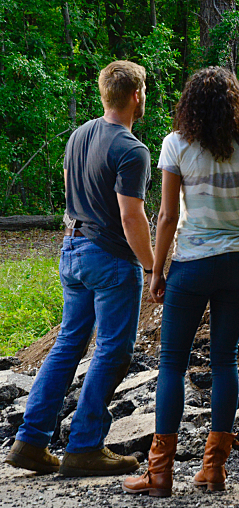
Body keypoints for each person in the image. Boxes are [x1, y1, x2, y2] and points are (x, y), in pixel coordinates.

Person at [122, 67, 239, 497]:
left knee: (172, 363)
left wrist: (157, 270)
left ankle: (160, 474)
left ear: (190, 104)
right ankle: (214, 470)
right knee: (225, 360)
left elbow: (168, 216)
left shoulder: (177, 145)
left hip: (192, 264)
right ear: (234, 105)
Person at [5, 61, 153, 476]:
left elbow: (71, 187)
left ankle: (31, 441)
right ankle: (85, 445)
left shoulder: (78, 135)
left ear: (105, 93)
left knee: (69, 343)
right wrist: (152, 264)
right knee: (112, 349)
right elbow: (130, 217)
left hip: (71, 249)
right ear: (136, 95)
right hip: (109, 258)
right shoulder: (131, 149)